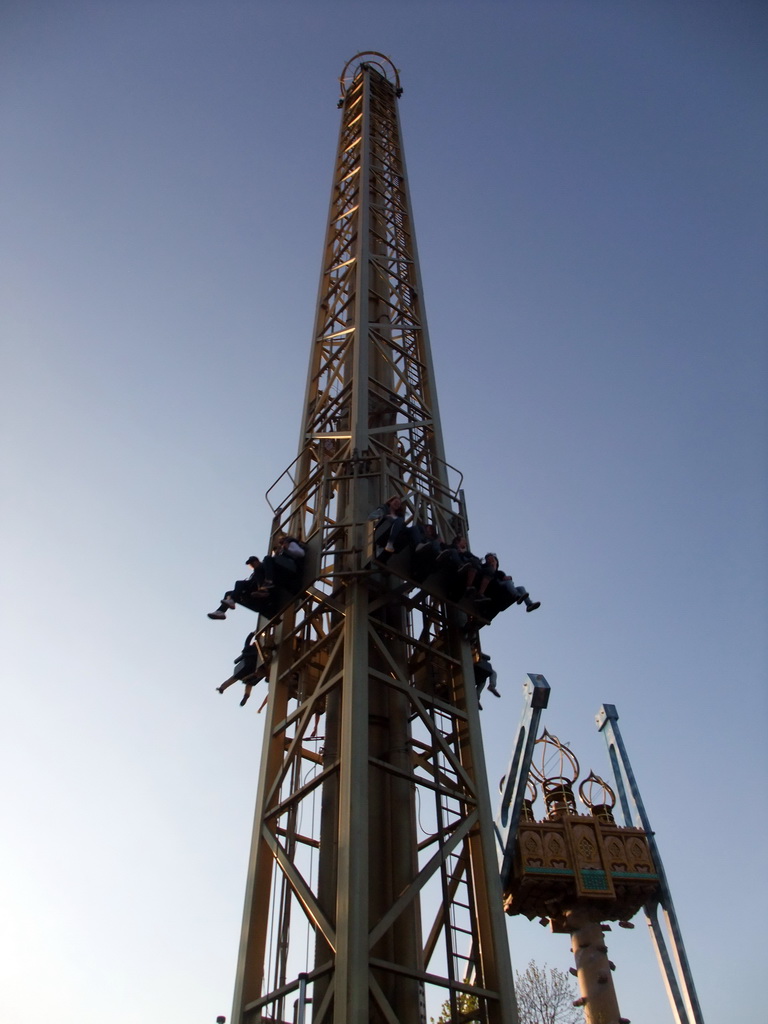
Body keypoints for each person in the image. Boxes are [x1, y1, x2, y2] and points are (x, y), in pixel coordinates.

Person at [216, 631, 268, 706]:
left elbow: (247, 641)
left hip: (247, 666)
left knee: (235, 678)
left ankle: (222, 688)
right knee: (250, 683)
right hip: (255, 667)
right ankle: (246, 695)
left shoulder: (250, 648)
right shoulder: (261, 651)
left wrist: (252, 634)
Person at [477, 552, 541, 613]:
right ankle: (517, 596)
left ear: (496, 562)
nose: (491, 562)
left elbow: (505, 580)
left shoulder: (500, 573)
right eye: (488, 560)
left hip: (501, 589)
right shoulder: (486, 569)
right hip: (492, 586)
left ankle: (529, 605)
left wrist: (508, 578)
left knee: (520, 588)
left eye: (492, 560)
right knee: (508, 582)